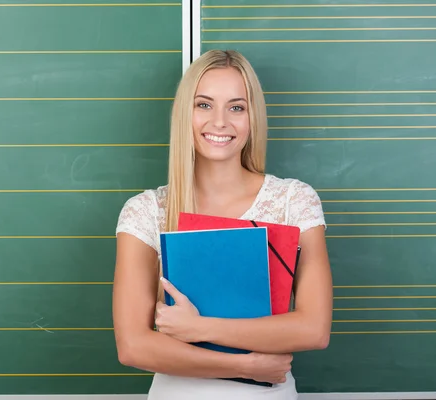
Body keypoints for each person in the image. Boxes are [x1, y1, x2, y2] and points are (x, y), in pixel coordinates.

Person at [112, 49, 333, 400]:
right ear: (185, 113)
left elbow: (313, 329)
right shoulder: (147, 210)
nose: (219, 122)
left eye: (236, 107)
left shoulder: (294, 201)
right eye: (204, 105)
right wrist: (245, 367)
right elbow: (133, 346)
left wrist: (198, 328)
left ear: (252, 117)